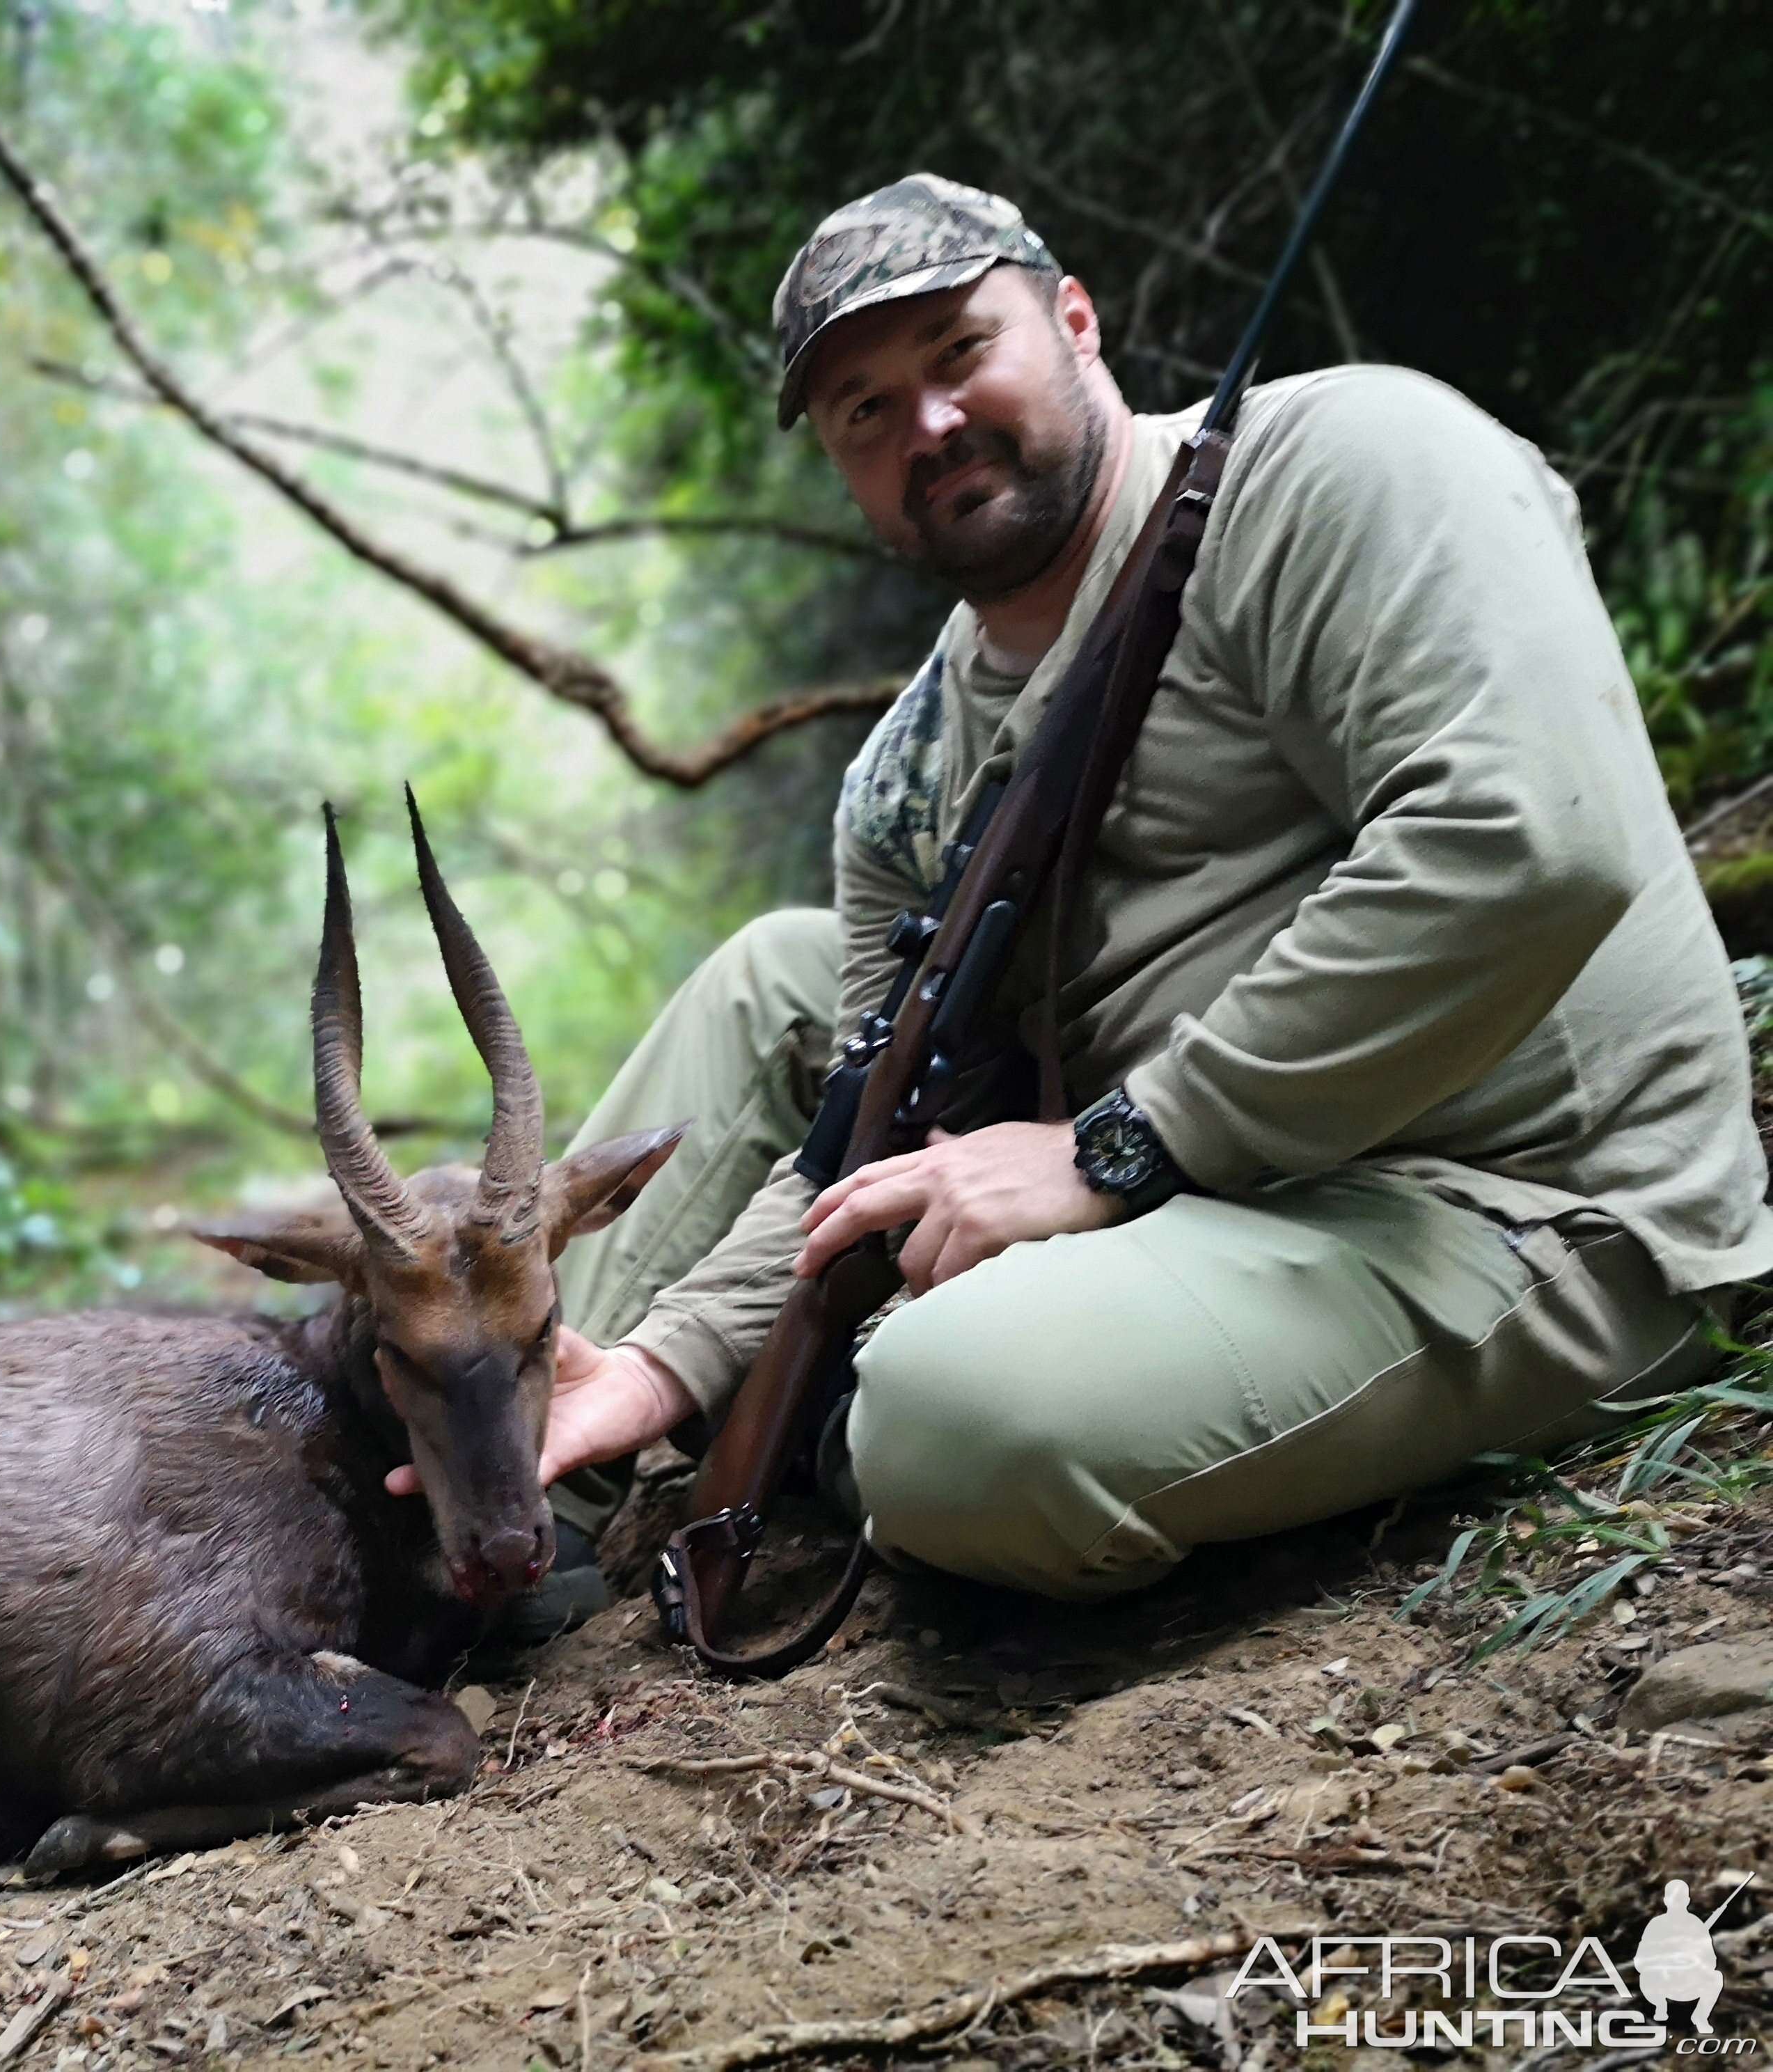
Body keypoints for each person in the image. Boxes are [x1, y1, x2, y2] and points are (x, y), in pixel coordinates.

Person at [473, 172, 1773, 1624]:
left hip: (1516, 1201)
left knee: (949, 1416)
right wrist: (668, 1358)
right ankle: (511, 1489)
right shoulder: (903, 772)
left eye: (960, 354)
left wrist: (1116, 1149)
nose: (929, 425)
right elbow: (872, 1120)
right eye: (863, 410)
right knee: (767, 978)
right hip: (1215, 1198)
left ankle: (873, 1431)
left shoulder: (1346, 461)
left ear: (1075, 321)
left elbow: (1528, 842)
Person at [1632, 1879, 1724, 2032]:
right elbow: (1640, 1961)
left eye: (1680, 1899)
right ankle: (1660, 2009)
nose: (1677, 1903)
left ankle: (1700, 2017)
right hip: (1663, 1981)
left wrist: (1693, 1959)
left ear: (1687, 1900)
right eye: (1673, 1899)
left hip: (1689, 1980)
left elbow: (1711, 1960)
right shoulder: (1657, 1925)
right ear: (1666, 1900)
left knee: (1716, 1978)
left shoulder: (1695, 1924)